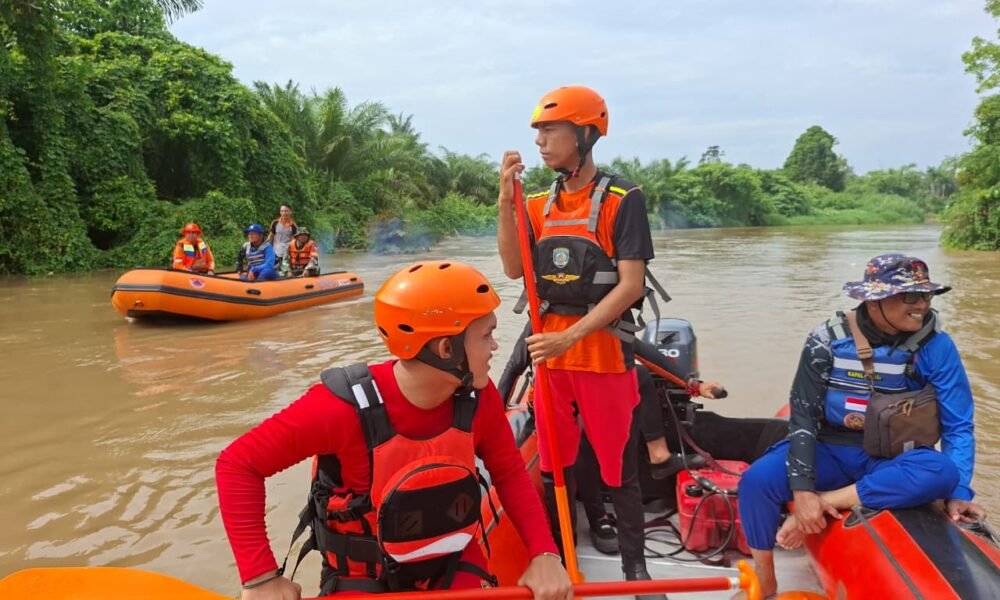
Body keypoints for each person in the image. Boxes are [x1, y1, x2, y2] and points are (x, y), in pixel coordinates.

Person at [216, 261, 572, 600]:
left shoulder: (480, 399)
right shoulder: (339, 408)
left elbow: (509, 473)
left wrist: (545, 553)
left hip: (452, 565)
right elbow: (238, 464)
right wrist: (260, 576)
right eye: (486, 336)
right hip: (364, 578)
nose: (496, 346)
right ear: (447, 348)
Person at [737, 254, 986, 598]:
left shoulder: (936, 346)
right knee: (756, 481)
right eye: (910, 297)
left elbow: (958, 425)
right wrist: (801, 490)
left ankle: (830, 501)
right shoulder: (825, 340)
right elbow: (804, 417)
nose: (922, 306)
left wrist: (958, 494)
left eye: (927, 296)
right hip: (831, 448)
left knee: (941, 471)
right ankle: (765, 578)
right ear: (873, 299)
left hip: (893, 457)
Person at [496, 85, 662, 599]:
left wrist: (567, 336)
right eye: (539, 132)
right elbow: (511, 268)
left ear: (585, 134)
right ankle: (562, 560)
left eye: (551, 130)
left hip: (601, 354)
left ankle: (637, 570)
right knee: (553, 465)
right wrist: (507, 201)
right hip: (551, 362)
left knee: (617, 466)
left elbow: (630, 285)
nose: (541, 141)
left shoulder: (622, 199)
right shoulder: (539, 201)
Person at [496, 324, 719, 555]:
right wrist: (495, 417)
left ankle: (658, 454)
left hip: (592, 390)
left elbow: (636, 346)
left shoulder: (598, 315)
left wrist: (692, 384)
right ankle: (597, 517)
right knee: (580, 433)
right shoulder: (547, 315)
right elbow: (515, 365)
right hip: (556, 401)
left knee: (640, 375)